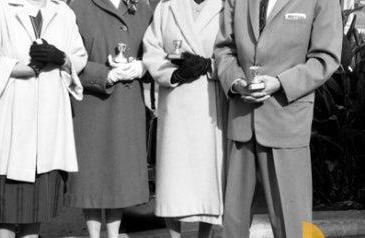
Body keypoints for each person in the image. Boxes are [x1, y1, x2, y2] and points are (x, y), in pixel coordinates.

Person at [214, 0, 342, 237]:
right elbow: (224, 48)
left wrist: (280, 83)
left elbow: (326, 58)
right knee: (232, 224)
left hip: (287, 121)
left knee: (292, 225)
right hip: (242, 120)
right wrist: (235, 82)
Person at [0, 0, 87, 237]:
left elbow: (78, 57)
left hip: (48, 120)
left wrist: (61, 58)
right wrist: (23, 68)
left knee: (36, 208)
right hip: (11, 118)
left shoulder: (64, 12)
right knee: (3, 208)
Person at [64, 0, 152, 237]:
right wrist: (104, 74)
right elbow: (68, 58)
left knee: (118, 171)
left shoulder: (141, 7)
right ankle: (94, 234)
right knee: (90, 174)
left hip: (126, 103)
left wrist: (143, 67)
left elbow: (154, 49)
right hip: (90, 104)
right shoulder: (78, 7)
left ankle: (114, 234)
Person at [142, 0, 225, 237]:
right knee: (173, 176)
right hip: (177, 102)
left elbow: (237, 52)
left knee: (208, 176)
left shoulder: (226, 6)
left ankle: (204, 235)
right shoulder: (167, 7)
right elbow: (152, 49)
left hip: (210, 102)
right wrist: (174, 74)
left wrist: (210, 66)